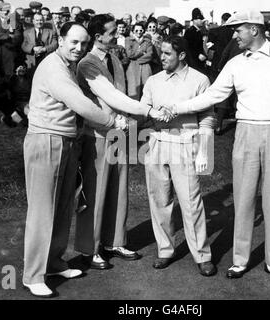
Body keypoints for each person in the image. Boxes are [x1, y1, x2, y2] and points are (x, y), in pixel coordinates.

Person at [167, 9, 270, 282]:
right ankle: (240, 261)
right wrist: (177, 107)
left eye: (238, 30)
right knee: (244, 200)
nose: (235, 35)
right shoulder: (236, 62)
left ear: (254, 29)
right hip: (245, 132)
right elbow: (212, 95)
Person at [22, 21, 128, 298]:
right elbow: (79, 103)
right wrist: (111, 120)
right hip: (46, 140)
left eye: (83, 43)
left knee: (62, 207)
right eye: (73, 42)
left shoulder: (68, 65)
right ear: (60, 40)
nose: (79, 48)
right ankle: (32, 274)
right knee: (43, 210)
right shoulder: (53, 66)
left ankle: (54, 262)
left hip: (66, 141)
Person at [74, 14, 168, 270]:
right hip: (97, 135)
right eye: (112, 31)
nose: (117, 34)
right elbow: (111, 95)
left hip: (120, 132)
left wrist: (132, 117)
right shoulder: (87, 64)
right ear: (98, 36)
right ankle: (89, 248)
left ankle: (114, 241)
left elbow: (124, 96)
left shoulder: (115, 57)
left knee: (119, 188)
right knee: (96, 191)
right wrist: (147, 112)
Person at [141, 36, 217, 277]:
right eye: (160, 53)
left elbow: (207, 117)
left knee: (191, 202)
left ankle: (202, 255)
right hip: (157, 143)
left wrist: (204, 149)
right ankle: (165, 250)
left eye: (167, 54)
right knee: (160, 200)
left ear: (182, 55)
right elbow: (143, 109)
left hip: (186, 144)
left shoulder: (200, 80)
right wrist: (145, 114)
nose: (161, 57)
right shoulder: (153, 80)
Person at [125, 22, 153, 100]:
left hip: (146, 66)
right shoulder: (128, 40)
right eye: (136, 30)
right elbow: (129, 54)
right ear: (133, 31)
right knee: (133, 89)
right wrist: (141, 52)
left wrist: (137, 59)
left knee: (146, 89)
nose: (139, 32)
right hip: (132, 67)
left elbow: (149, 55)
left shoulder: (147, 41)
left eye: (141, 30)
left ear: (143, 31)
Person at [184, 8, 207, 73]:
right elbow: (188, 47)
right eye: (200, 19)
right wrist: (197, 55)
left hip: (199, 62)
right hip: (193, 63)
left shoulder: (198, 31)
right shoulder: (190, 32)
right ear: (195, 20)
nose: (202, 21)